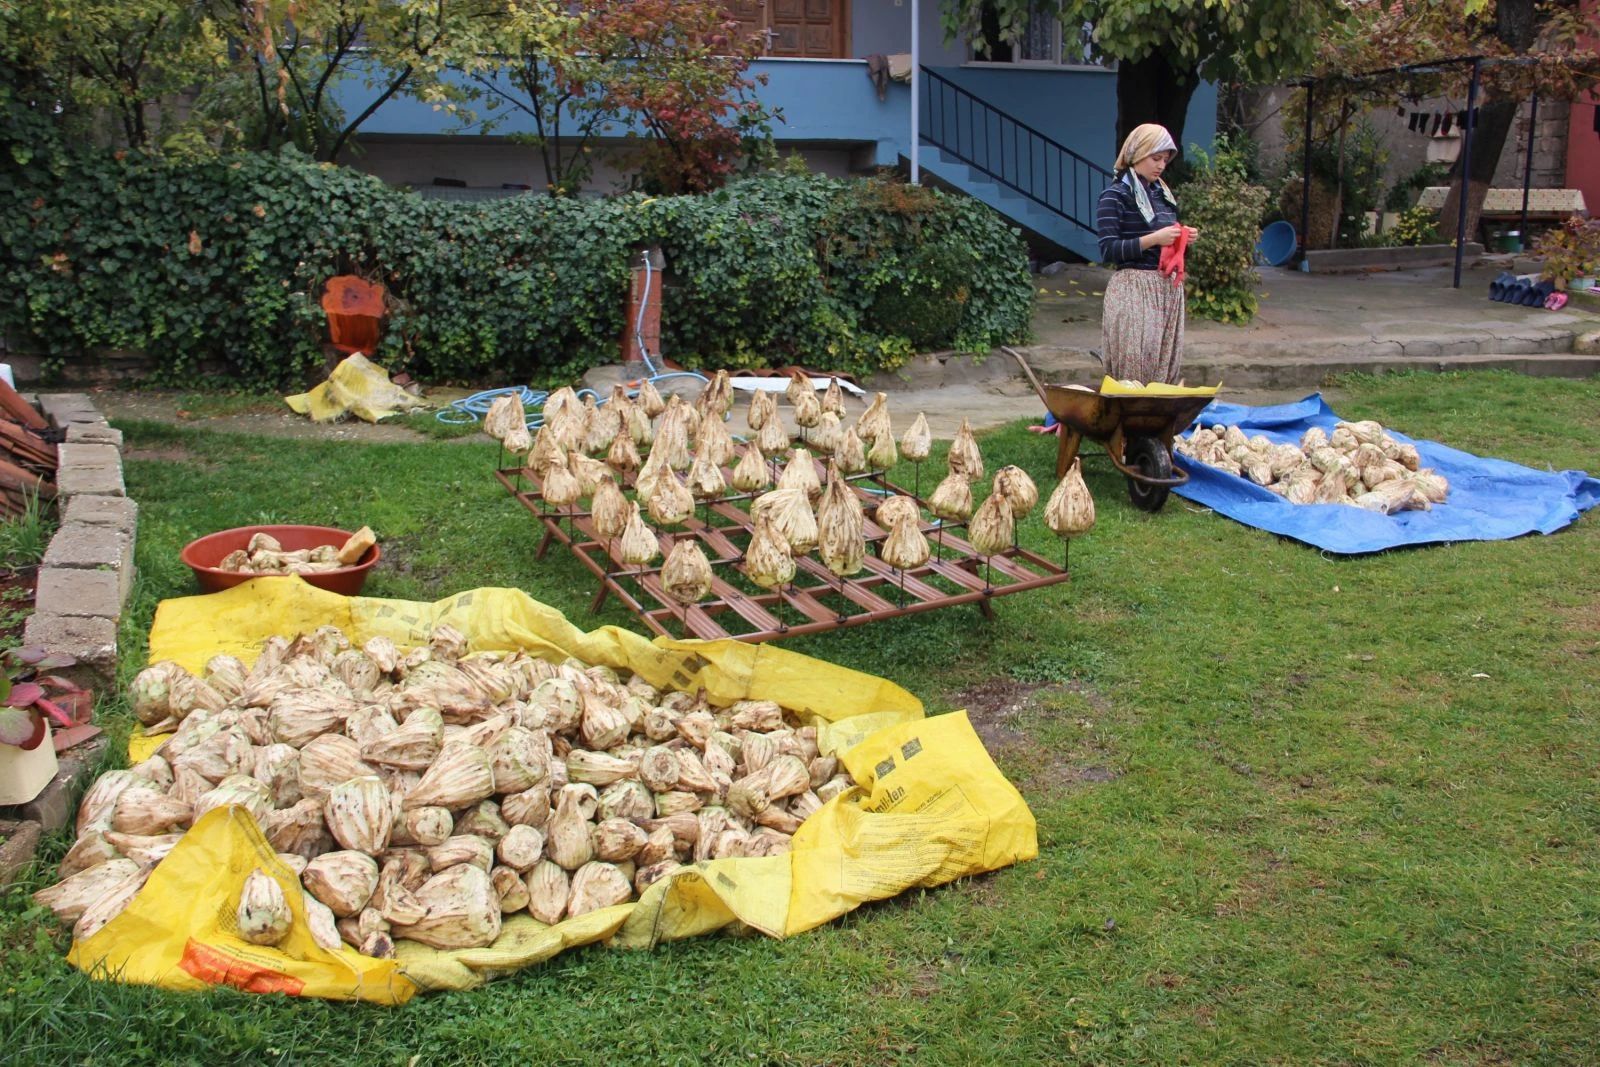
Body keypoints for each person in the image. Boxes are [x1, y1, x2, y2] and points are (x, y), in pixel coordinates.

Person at [1095, 123, 1194, 385]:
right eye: (1155, 158)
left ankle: (1158, 421)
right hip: (1133, 290)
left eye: (1164, 159)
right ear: (1137, 155)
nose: (1160, 165)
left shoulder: (1162, 196)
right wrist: (1154, 239)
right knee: (1135, 365)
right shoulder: (1114, 196)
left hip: (1166, 289)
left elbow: (1165, 240)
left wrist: (1182, 238)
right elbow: (1108, 249)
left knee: (1163, 365)